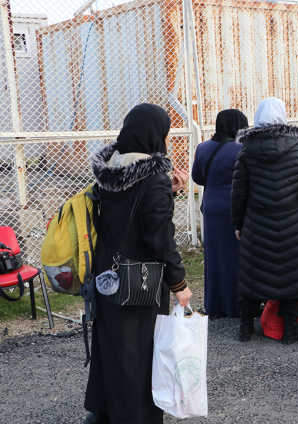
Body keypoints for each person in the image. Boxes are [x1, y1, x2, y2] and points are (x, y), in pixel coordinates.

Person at [84, 104, 192, 424]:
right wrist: (179, 283)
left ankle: (102, 411)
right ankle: (134, 417)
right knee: (137, 353)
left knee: (111, 346)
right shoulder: (153, 176)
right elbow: (159, 237)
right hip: (139, 278)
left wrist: (167, 191)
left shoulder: (110, 171)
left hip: (107, 273)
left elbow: (126, 211)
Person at [232, 98, 298, 343]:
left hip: (256, 222)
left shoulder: (246, 150)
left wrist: (238, 224)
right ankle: (291, 329)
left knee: (253, 275)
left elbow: (238, 192)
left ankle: (245, 328)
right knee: (294, 275)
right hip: (295, 224)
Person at [191, 109, 247, 320]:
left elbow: (197, 177)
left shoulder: (203, 147)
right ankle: (235, 307)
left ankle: (214, 306)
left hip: (210, 207)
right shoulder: (239, 148)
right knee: (234, 258)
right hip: (232, 208)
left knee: (213, 258)